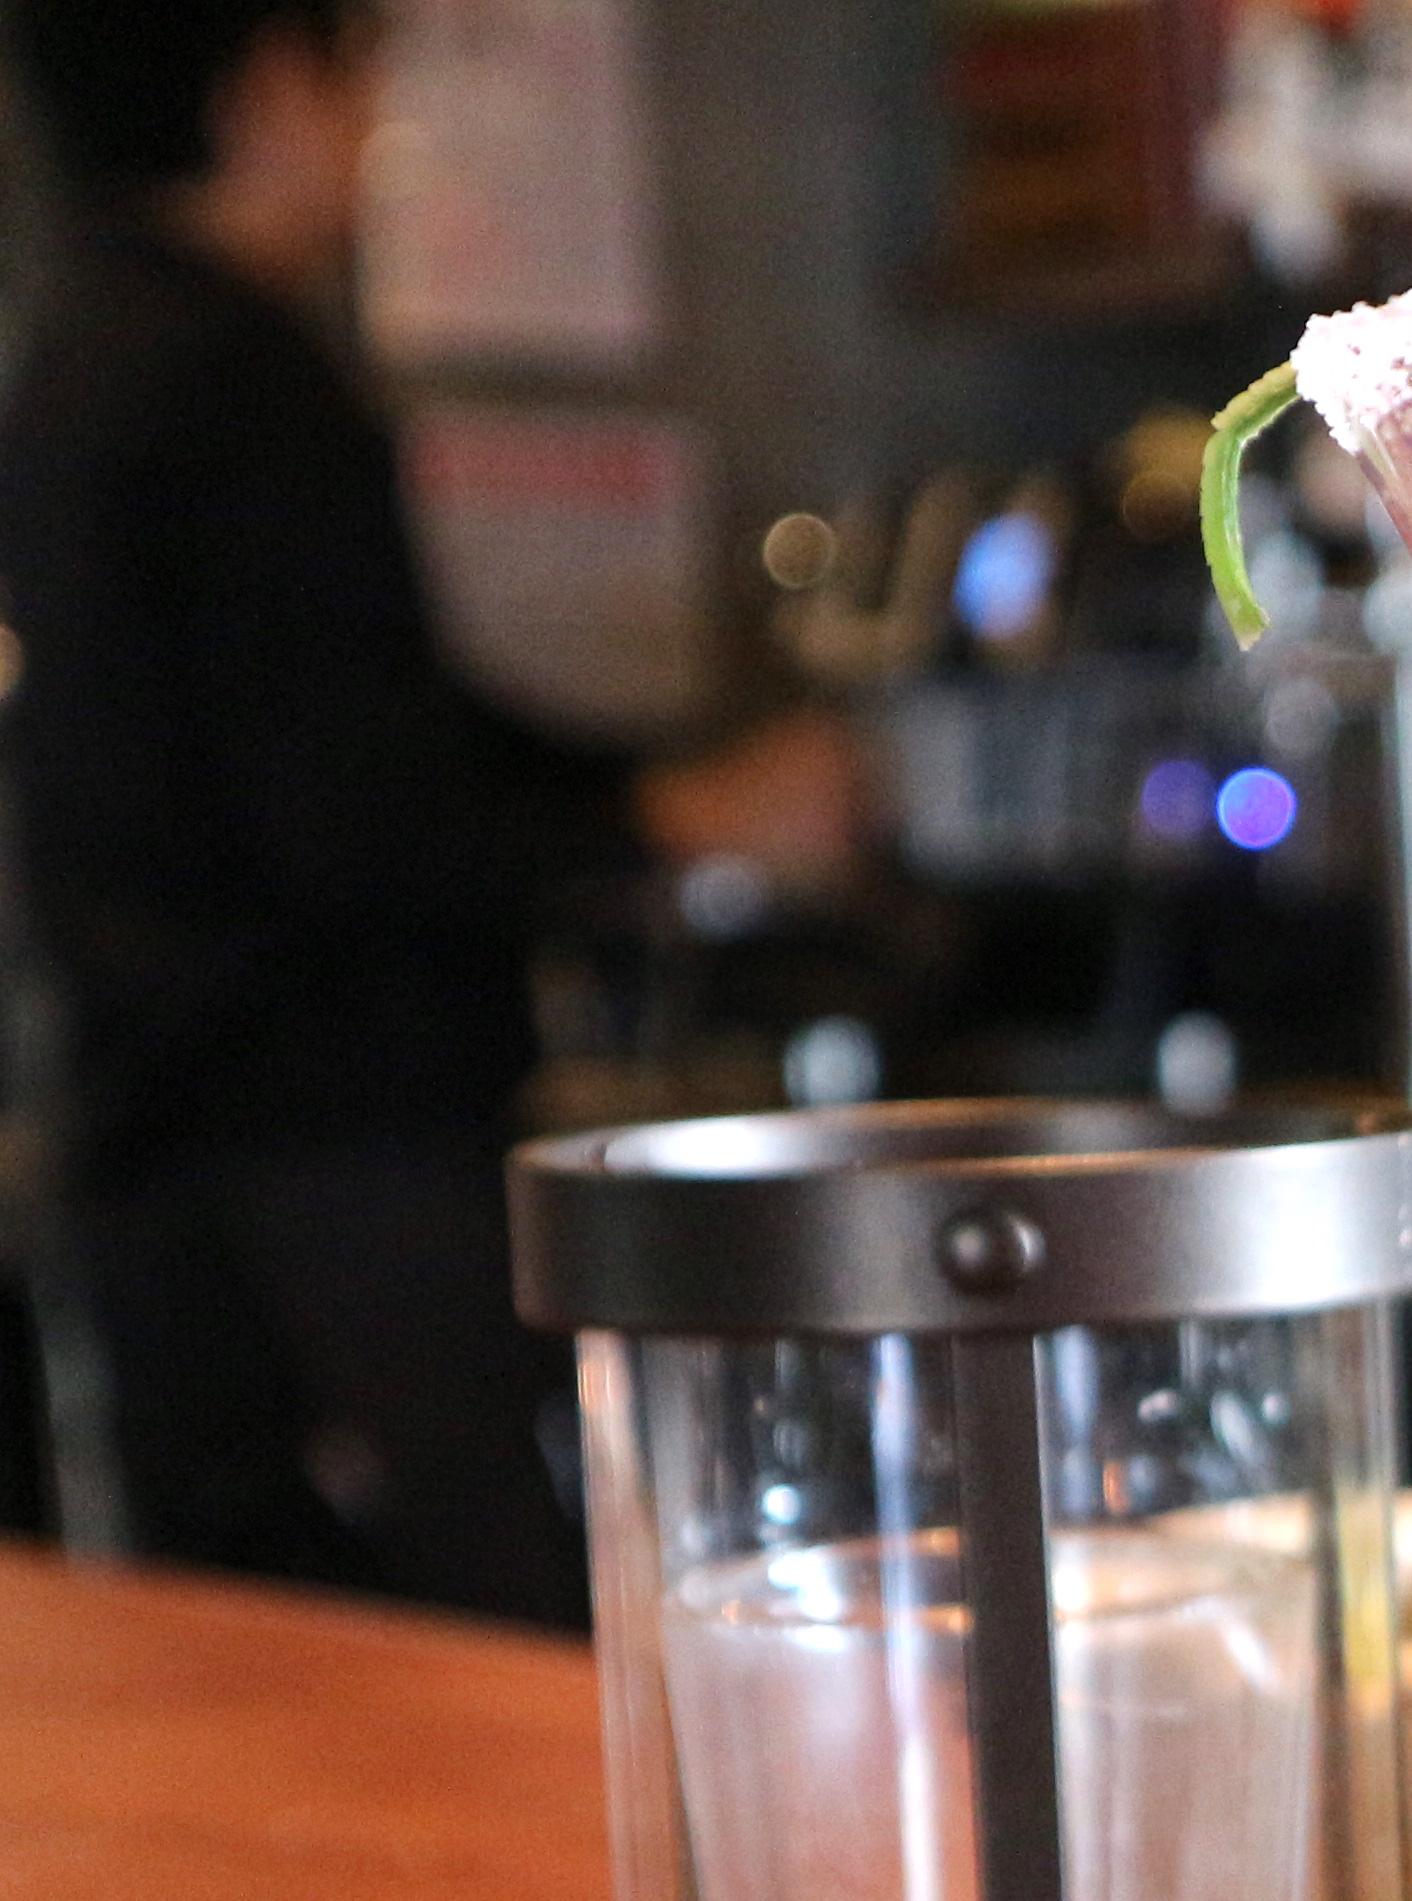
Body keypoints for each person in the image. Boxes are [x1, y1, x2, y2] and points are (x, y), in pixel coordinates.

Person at [0, 0, 851, 1623]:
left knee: (254, 1649)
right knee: (466, 1644)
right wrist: (669, 822)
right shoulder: (232, 376)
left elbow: (366, 733)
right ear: (267, 85)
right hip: (335, 1151)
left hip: (166, 1137)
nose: (380, 133)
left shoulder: (77, 357)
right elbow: (362, 807)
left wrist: (660, 795)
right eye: (363, 78)